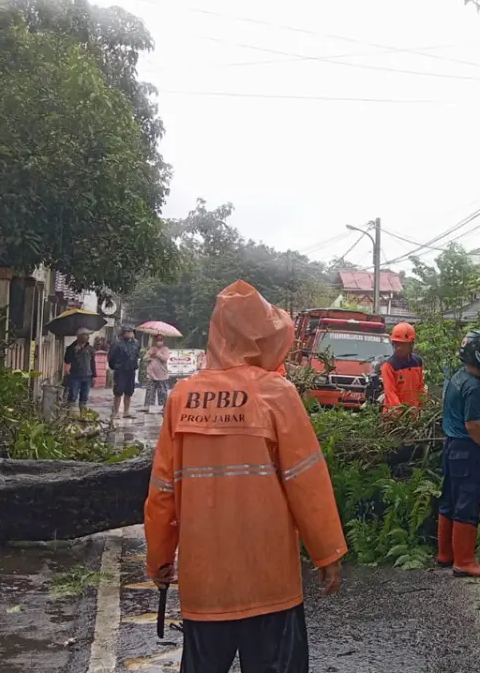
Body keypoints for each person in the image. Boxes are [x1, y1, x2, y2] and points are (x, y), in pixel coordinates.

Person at [143, 280, 347, 673]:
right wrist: (327, 552)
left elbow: (162, 491)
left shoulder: (181, 397)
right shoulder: (276, 394)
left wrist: (159, 559)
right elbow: (306, 481)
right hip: (269, 581)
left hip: (205, 585)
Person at [436, 330, 480, 577]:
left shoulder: (457, 378)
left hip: (450, 447)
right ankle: (464, 561)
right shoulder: (474, 385)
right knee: (467, 503)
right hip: (466, 450)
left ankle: (445, 554)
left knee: (449, 501)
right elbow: (472, 425)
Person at [380, 322, 424, 410]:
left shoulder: (418, 361)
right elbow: (391, 394)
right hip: (394, 416)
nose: (398, 347)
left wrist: (422, 405)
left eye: (402, 344)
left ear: (411, 344)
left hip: (414, 414)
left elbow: (420, 388)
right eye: (396, 343)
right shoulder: (388, 366)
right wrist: (401, 413)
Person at [107, 326, 140, 420]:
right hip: (120, 370)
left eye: (131, 332)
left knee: (129, 392)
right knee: (118, 391)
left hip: (131, 370)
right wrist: (115, 366)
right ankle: (116, 412)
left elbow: (137, 355)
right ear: (123, 333)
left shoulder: (136, 343)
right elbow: (111, 357)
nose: (130, 333)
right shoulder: (117, 343)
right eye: (128, 332)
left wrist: (134, 365)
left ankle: (126, 412)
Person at [63, 329, 97, 413]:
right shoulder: (72, 348)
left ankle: (83, 415)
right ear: (78, 336)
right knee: (72, 396)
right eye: (84, 335)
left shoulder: (91, 349)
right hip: (75, 376)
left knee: (84, 397)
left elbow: (93, 363)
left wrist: (94, 375)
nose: (86, 337)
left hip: (87, 376)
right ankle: (69, 415)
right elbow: (67, 360)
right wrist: (74, 350)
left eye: (87, 335)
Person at [143, 335, 170, 412]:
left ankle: (165, 407)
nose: (159, 341)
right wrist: (150, 357)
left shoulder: (165, 349)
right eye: (157, 339)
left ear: (163, 340)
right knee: (149, 390)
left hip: (162, 375)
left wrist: (157, 354)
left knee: (163, 392)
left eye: (160, 339)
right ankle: (147, 406)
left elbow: (165, 358)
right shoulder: (152, 349)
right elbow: (145, 358)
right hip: (151, 374)